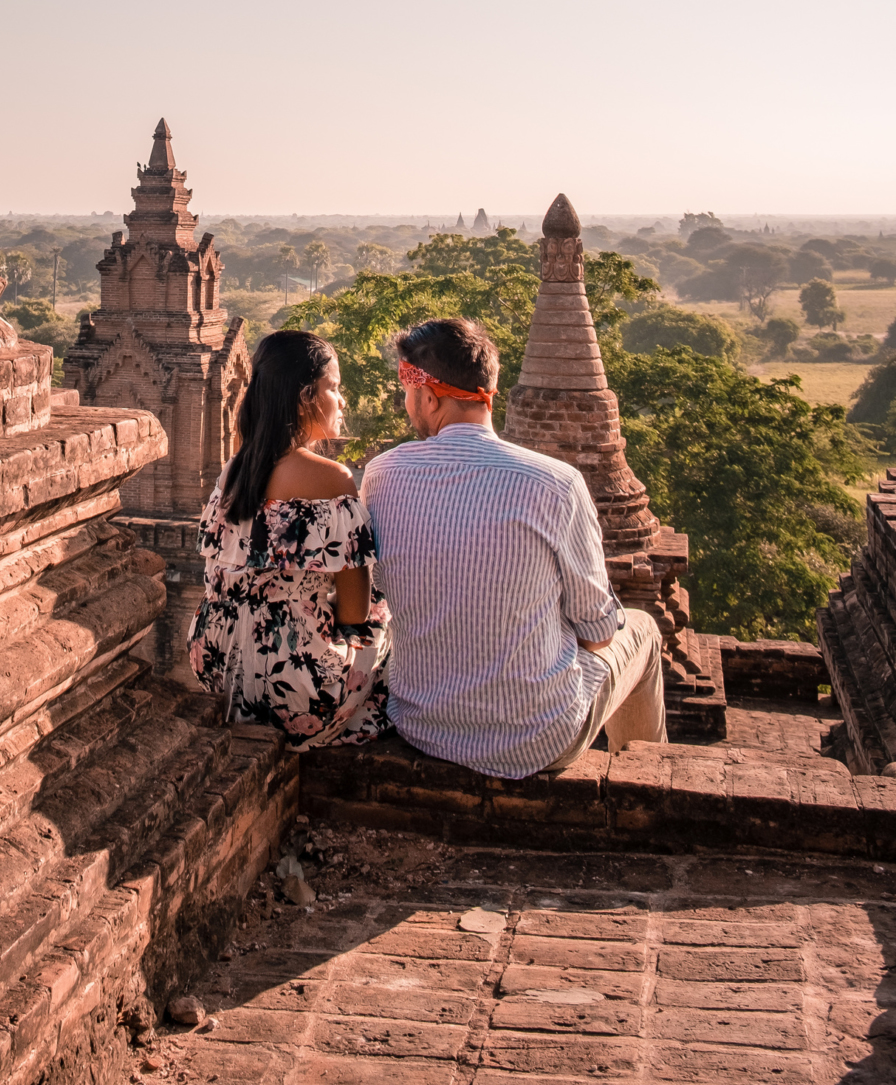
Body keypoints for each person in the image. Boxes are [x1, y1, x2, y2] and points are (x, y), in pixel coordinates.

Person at [361, 316, 666, 780]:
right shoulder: (557, 484)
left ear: (427, 394)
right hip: (538, 740)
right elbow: (599, 632)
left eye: (407, 393)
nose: (406, 405)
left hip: (420, 723)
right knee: (642, 627)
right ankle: (651, 788)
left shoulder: (381, 475)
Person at [188, 329, 390, 747]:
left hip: (216, 667)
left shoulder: (233, 473)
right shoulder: (332, 480)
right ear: (305, 396)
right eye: (333, 387)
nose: (342, 399)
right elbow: (354, 614)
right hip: (296, 691)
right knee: (386, 617)